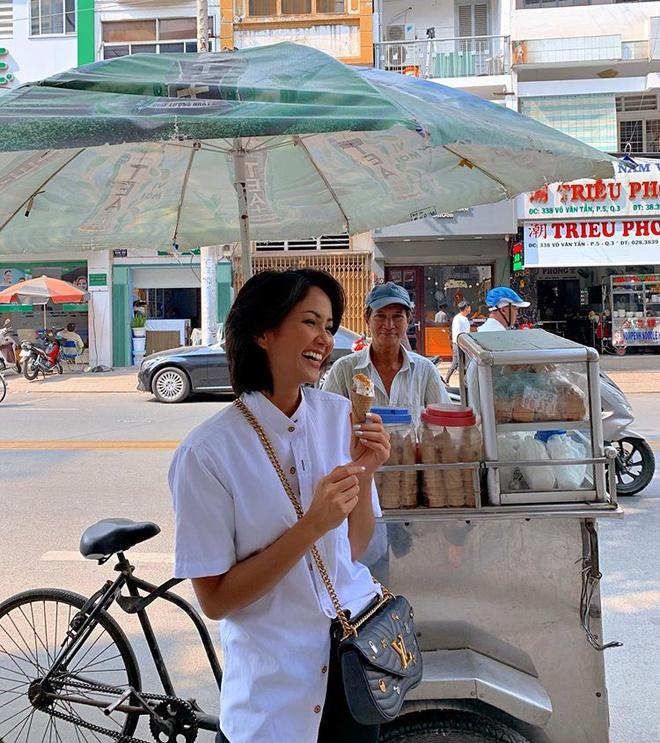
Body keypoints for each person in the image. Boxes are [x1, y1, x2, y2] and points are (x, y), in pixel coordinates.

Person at [169, 269, 390, 743]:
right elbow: (216, 599)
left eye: (329, 326)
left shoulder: (338, 418)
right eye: (311, 322)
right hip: (274, 699)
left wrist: (367, 469)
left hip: (353, 674)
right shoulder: (207, 453)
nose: (325, 339)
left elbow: (351, 549)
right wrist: (310, 527)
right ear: (263, 331)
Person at [323, 281, 449, 424]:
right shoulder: (343, 370)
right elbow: (325, 425)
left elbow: (444, 424)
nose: (389, 325)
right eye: (380, 316)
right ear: (367, 318)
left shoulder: (425, 370)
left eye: (397, 316)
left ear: (408, 319)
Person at [444, 300, 471, 384]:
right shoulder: (458, 318)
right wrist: (459, 343)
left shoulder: (465, 318)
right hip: (458, 344)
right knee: (456, 363)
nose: (470, 309)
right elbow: (457, 332)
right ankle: (446, 380)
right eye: (469, 307)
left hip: (465, 343)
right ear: (466, 308)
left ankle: (466, 381)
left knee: (466, 363)